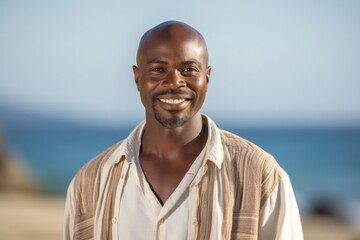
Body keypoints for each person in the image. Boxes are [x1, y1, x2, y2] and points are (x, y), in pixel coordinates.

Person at [64, 20, 303, 240]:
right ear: (137, 78)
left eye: (188, 70)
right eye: (158, 69)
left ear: (206, 78)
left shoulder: (261, 176)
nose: (175, 81)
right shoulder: (88, 185)